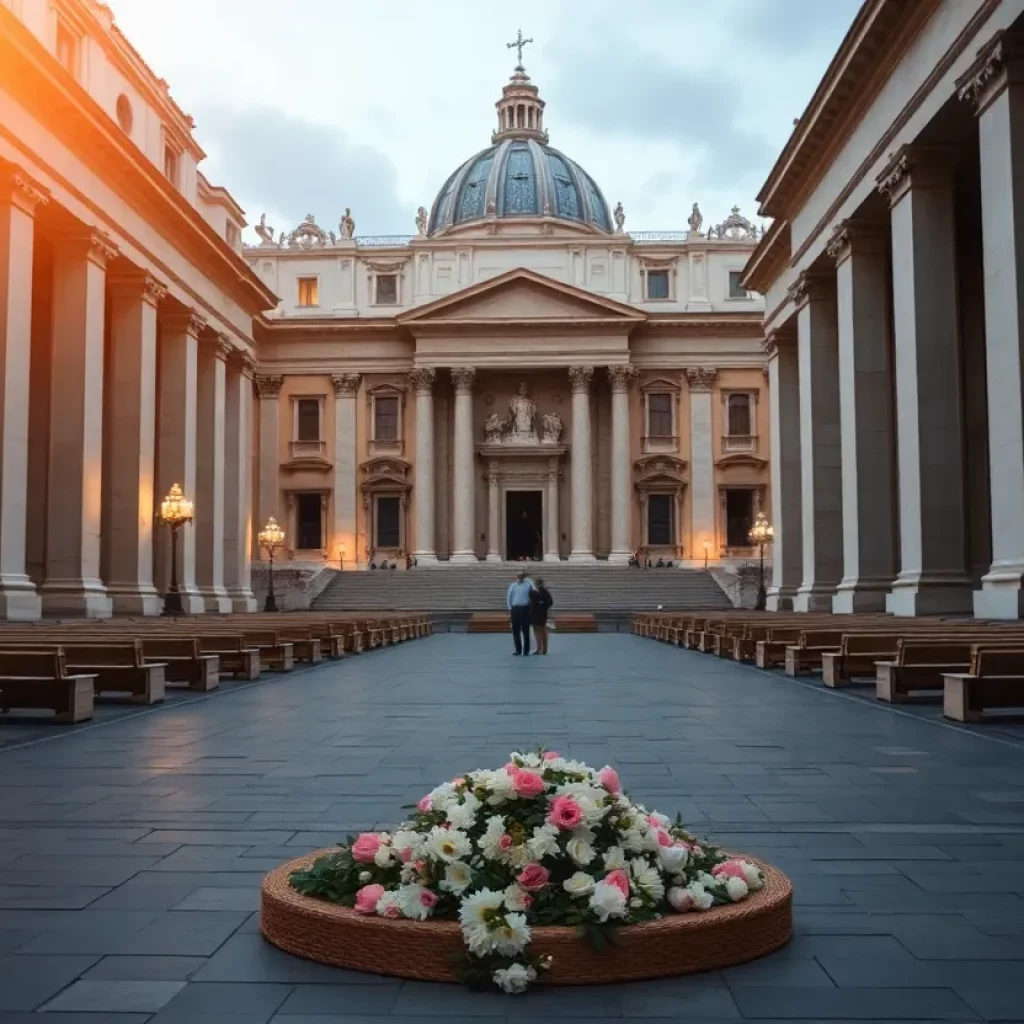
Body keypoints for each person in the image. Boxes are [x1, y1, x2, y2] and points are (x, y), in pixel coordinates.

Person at [506, 569, 534, 655]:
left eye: (522, 576)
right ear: (516, 577)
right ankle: (518, 650)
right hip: (515, 609)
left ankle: (526, 650)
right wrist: (510, 607)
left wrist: (528, 579)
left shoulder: (528, 585)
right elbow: (509, 596)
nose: (520, 578)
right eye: (518, 576)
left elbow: (534, 588)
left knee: (526, 631)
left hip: (525, 609)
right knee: (516, 630)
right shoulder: (513, 586)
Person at [529, 577, 554, 655]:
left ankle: (543, 649)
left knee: (541, 631)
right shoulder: (538, 590)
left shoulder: (542, 591)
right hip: (535, 614)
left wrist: (542, 607)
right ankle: (540, 648)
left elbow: (549, 602)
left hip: (539, 614)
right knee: (538, 631)